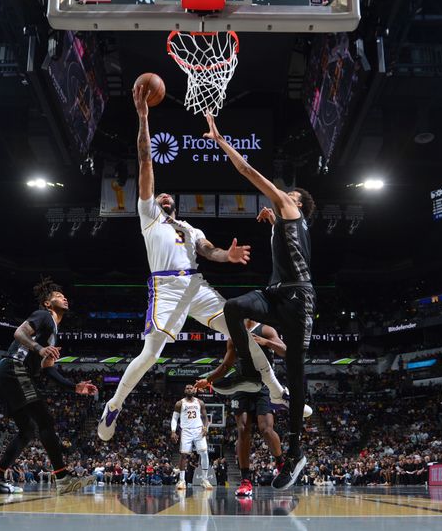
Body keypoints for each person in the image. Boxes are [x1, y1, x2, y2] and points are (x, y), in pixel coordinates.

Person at [97, 84, 289, 442]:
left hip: (196, 286)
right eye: (161, 194)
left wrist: (226, 256)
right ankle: (115, 403)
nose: (165, 194)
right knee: (151, 354)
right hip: (166, 287)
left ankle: (276, 388)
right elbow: (144, 160)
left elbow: (208, 250)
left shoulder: (189, 226)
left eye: (169, 195)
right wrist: (143, 116)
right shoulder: (149, 216)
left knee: (241, 330)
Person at [204, 114, 316, 490]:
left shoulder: (288, 204)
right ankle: (251, 371)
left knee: (297, 371)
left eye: (291, 195)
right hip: (276, 292)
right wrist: (272, 226)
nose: (285, 194)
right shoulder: (287, 223)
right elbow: (288, 244)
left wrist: (220, 140)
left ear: (296, 203)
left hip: (299, 297)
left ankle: (297, 450)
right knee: (233, 308)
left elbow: (248, 170)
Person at [0, 278, 97, 495]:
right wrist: (38, 348)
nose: (64, 297)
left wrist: (73, 386)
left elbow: (48, 369)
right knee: (45, 420)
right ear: (47, 303)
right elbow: (18, 333)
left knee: (27, 431)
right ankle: (63, 478)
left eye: (64, 295)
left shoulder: (54, 331)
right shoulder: (43, 315)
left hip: (11, 374)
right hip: (14, 368)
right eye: (57, 296)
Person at [198, 321, 287, 497]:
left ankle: (281, 464)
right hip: (241, 386)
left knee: (266, 430)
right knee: (243, 430)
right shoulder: (234, 336)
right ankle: (245, 480)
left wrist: (266, 342)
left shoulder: (266, 329)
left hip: (264, 385)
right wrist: (208, 380)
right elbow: (226, 365)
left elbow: (285, 350)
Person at [171, 384, 213, 490]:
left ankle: (204, 480)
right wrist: (173, 431)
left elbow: (205, 417)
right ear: (185, 390)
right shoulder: (180, 403)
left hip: (198, 430)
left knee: (204, 452)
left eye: (191, 388)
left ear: (194, 390)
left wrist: (205, 427)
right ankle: (181, 481)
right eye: (187, 388)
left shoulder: (200, 402)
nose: (189, 389)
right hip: (186, 431)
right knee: (184, 455)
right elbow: (174, 418)